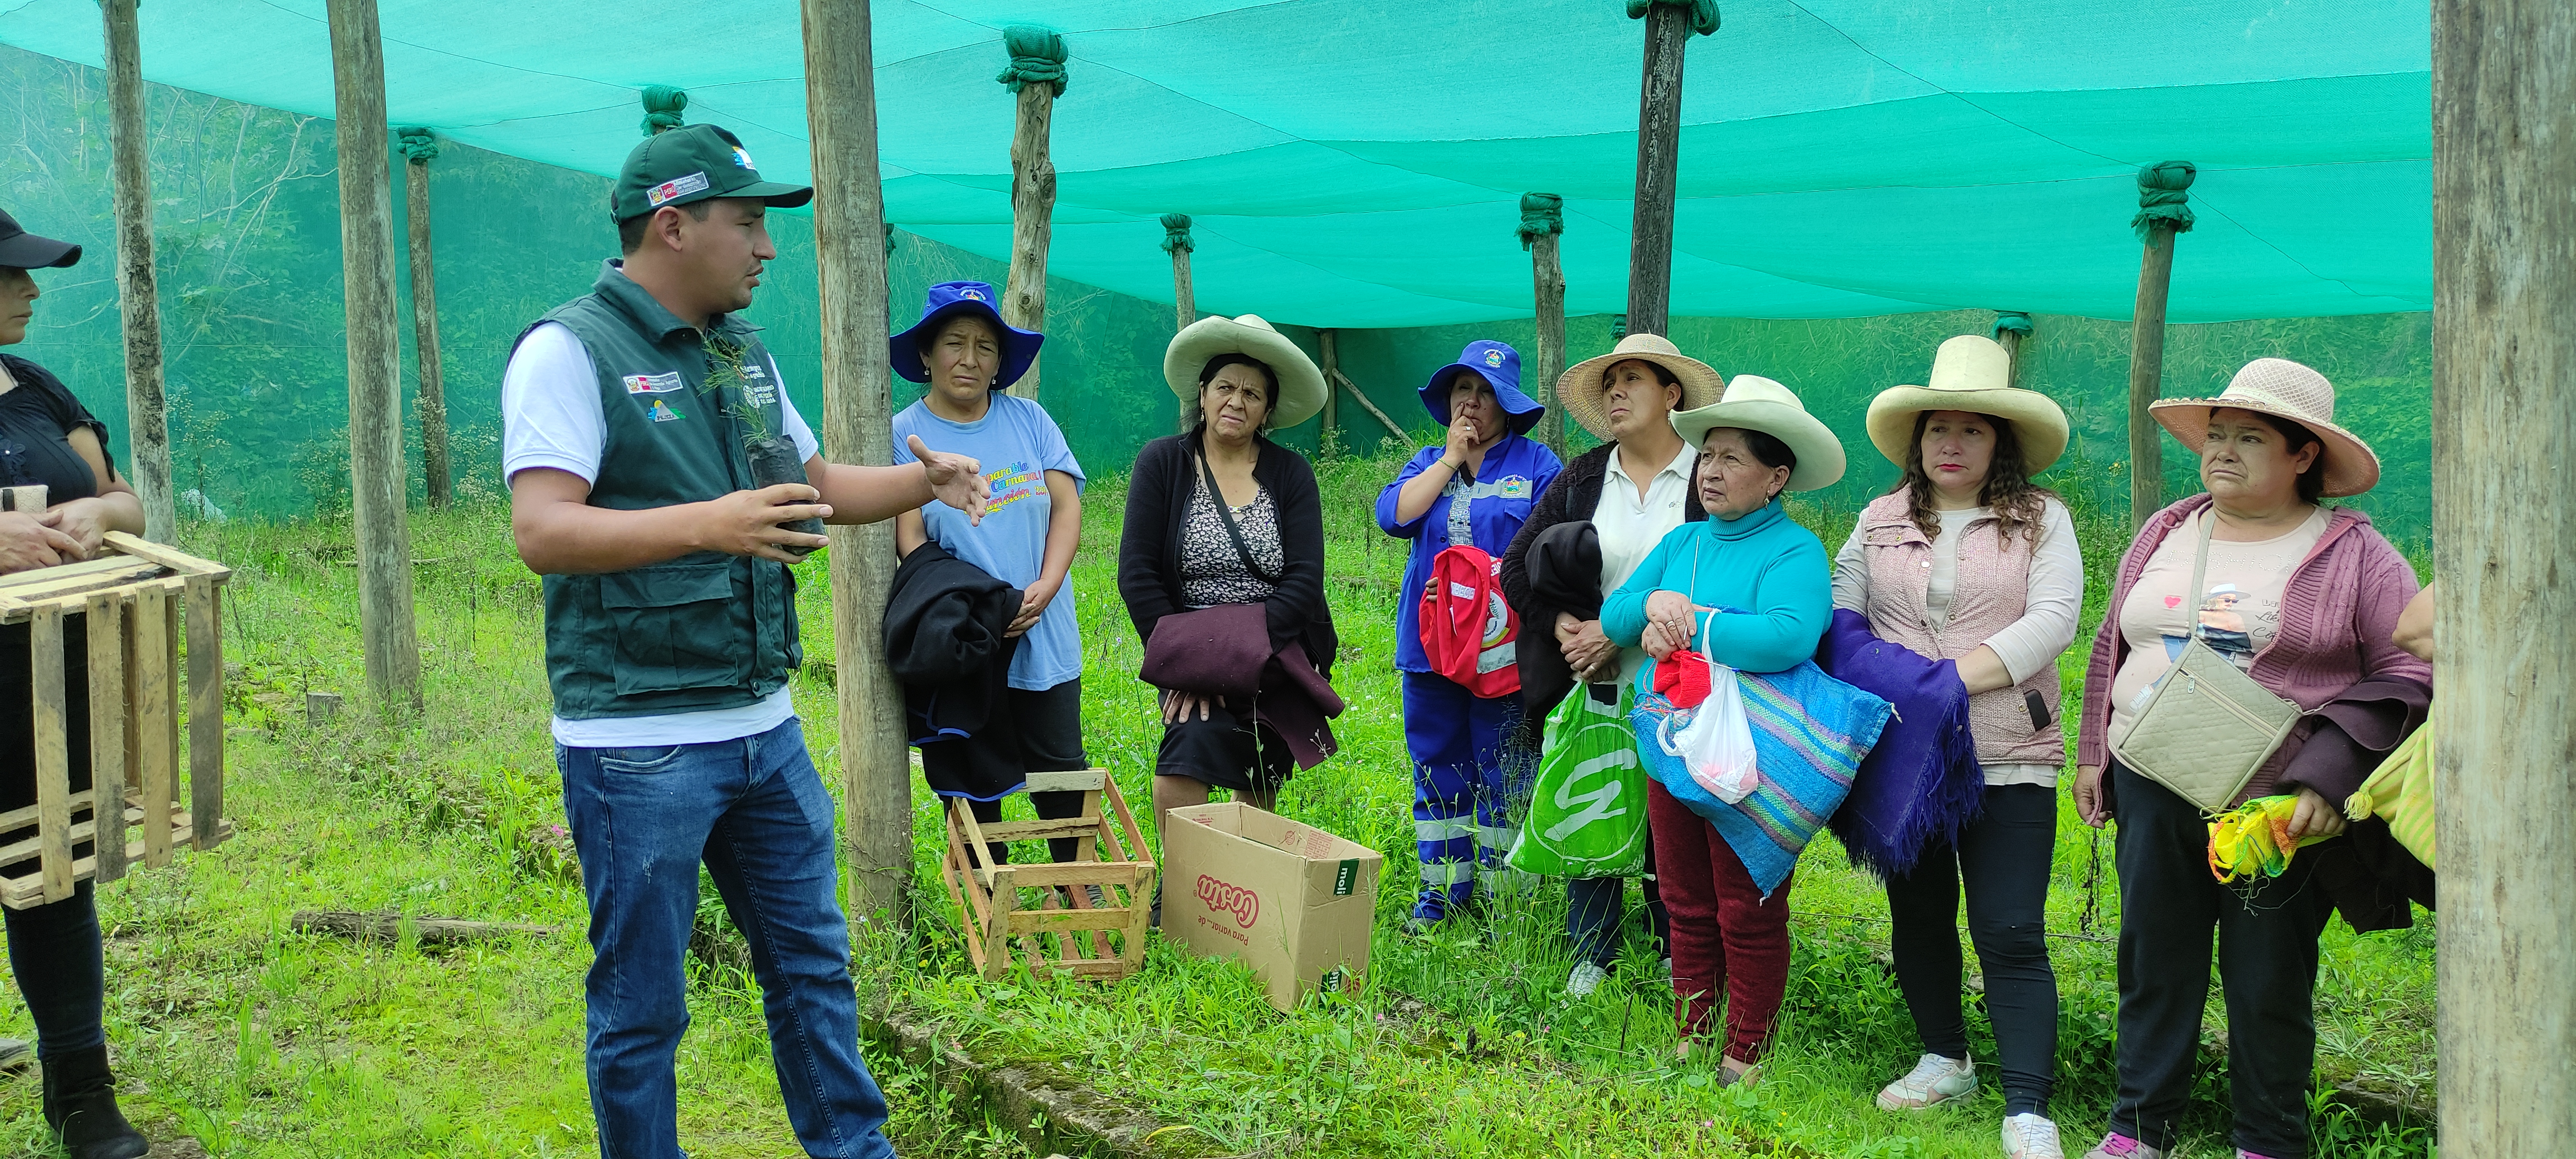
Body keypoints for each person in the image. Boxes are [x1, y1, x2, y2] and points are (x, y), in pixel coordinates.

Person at [502, 124, 987, 1159]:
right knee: (642, 1006)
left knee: (813, 971)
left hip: (764, 733)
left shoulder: (742, 353)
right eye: (749, 222)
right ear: (672, 225)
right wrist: (706, 523)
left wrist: (922, 481)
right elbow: (543, 529)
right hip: (637, 744)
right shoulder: (567, 351)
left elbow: (815, 483)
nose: (767, 248)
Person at [2071, 359, 2428, 1159]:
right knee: (2155, 958)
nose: (2222, 451)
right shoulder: (2167, 528)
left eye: (2251, 439)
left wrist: (2328, 778)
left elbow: (2409, 672)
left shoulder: (2358, 556)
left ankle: (2268, 1140)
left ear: (2304, 456)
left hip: (2275, 805)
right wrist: (2094, 751)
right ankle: (2137, 1129)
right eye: (2218, 436)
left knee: (2268, 976)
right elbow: (2113, 640)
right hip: (2152, 775)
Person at [1836, 335, 2081, 1159]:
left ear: (2000, 444)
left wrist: (1950, 682)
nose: (1951, 444)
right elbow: (1843, 615)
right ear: (1916, 439)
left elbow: (2054, 621)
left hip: (2010, 749)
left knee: (2010, 928)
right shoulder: (1879, 519)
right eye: (1937, 428)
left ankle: (2028, 1109)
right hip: (1906, 755)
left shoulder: (2045, 520)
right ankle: (1944, 1056)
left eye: (1972, 431)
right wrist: (1910, 688)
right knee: (1920, 913)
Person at [1602, 373, 1845, 1086]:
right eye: (1708, 454)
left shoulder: (1795, 551)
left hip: (1752, 752)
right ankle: (1692, 1033)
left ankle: (1744, 1052)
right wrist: (1655, 602)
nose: (1711, 470)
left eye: (1733, 458)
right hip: (1672, 742)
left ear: (1776, 477)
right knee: (1682, 896)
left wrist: (1691, 624)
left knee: (1747, 903)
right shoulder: (1681, 544)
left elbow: (1789, 636)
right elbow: (1615, 613)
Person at [1498, 333, 1721, 994]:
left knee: (1670, 814)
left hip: (1675, 683)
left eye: (1633, 379)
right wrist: (1561, 625)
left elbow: (1720, 578)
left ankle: (1673, 946)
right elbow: (1515, 566)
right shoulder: (1586, 476)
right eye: (1609, 382)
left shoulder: (1706, 477)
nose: (1616, 391)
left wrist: (1616, 633)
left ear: (1671, 393)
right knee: (1592, 797)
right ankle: (1591, 952)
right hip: (1589, 682)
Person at [0, 210, 150, 1159]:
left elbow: (125, 495)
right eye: (13, 274)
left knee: (52, 878)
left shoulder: (35, 388)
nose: (32, 289)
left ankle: (80, 1089)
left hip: (41, 683)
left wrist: (98, 511)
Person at [1116, 314, 1338, 859]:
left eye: (1252, 393)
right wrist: (1191, 666)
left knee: (1258, 767)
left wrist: (1241, 658)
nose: (1236, 401)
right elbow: (1137, 575)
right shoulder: (1162, 464)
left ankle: (1245, 891)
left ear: (1267, 410)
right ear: (1203, 393)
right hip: (1188, 648)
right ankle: (1184, 893)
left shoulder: (1291, 474)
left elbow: (1305, 580)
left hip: (1277, 652)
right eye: (1225, 387)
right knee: (1184, 751)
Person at [890, 281, 1089, 865]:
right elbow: (912, 542)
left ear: (1001, 360)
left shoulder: (1029, 419)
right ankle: (984, 897)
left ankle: (1082, 890)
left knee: (1061, 773)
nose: (970, 359)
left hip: (1044, 629)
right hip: (965, 639)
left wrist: (1047, 587)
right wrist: (981, 609)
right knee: (973, 779)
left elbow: (1066, 507)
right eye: (954, 343)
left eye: (985, 346)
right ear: (926, 353)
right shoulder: (906, 434)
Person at [1377, 340, 1562, 931]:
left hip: (1504, 656)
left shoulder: (1538, 466)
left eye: (1486, 393)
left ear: (1507, 405)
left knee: (1503, 771)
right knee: (1436, 770)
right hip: (1429, 650)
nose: (1472, 404)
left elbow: (1554, 547)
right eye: (1463, 392)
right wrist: (1448, 460)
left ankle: (1504, 902)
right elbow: (1394, 516)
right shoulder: (1429, 460)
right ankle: (1442, 898)